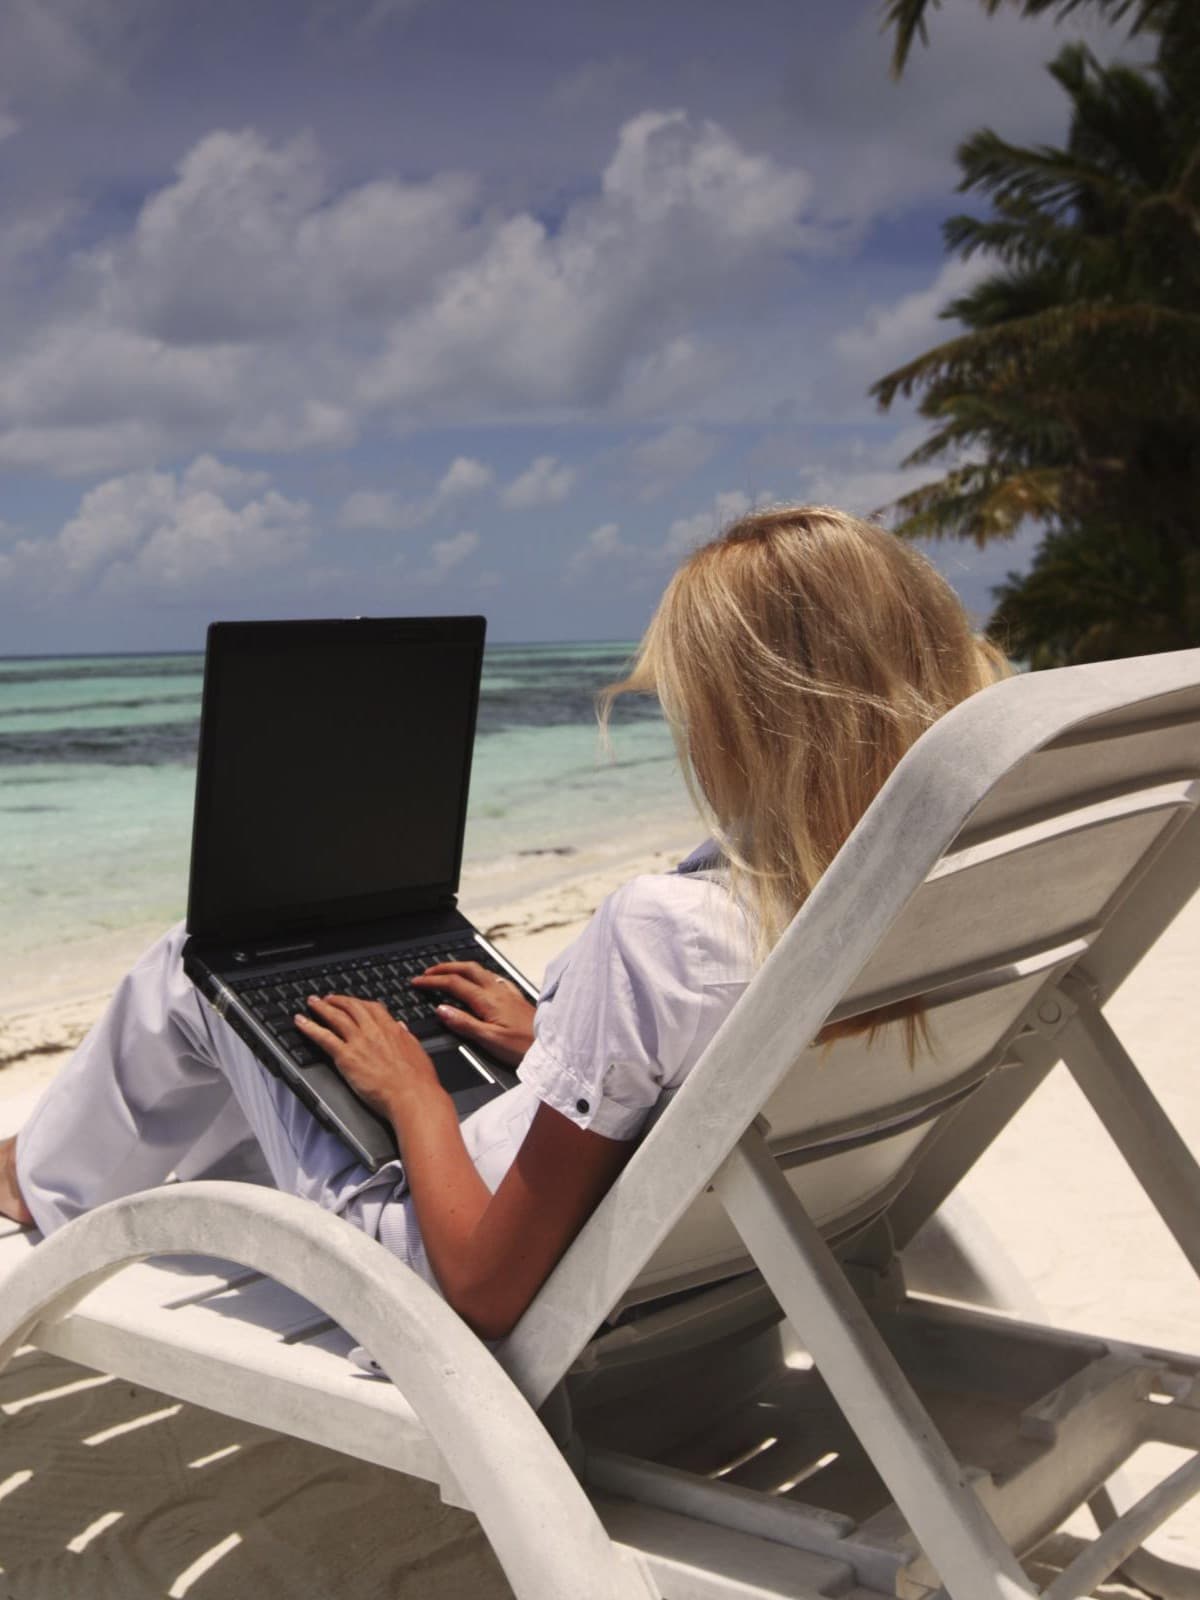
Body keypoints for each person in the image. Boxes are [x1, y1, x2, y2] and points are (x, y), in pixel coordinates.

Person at [0, 506, 1006, 1339]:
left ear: (744, 719)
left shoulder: (667, 933)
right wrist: (561, 1044)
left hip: (421, 1252)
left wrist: (413, 1099)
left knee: (197, 965)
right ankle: (65, 1160)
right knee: (289, 1022)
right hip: (704, 1256)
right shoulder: (910, 887)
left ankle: (40, 1183)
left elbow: (480, 1285)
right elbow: (700, 1068)